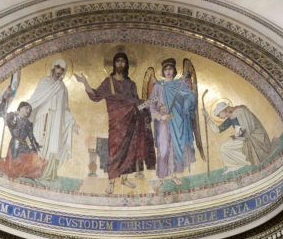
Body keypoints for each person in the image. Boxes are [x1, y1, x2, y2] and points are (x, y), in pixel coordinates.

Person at [74, 52, 156, 194]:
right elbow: (95, 96)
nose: (120, 64)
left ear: (126, 64)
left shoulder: (131, 84)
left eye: (123, 61)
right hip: (116, 123)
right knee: (115, 151)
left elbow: (135, 104)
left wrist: (145, 105)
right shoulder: (108, 82)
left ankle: (124, 179)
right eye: (117, 61)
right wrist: (85, 82)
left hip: (131, 122)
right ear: (114, 64)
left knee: (130, 150)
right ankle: (111, 181)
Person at [149, 58, 198, 191]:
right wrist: (159, 116)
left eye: (170, 69)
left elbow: (191, 96)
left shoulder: (179, 85)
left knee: (175, 148)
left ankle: (174, 175)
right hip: (163, 122)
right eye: (166, 69)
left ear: (174, 70)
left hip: (177, 121)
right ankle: (161, 178)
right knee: (163, 149)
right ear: (163, 71)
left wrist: (188, 102)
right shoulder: (158, 86)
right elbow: (151, 105)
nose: (168, 71)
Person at [28, 58, 79, 181]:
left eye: (62, 69)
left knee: (52, 143)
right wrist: (22, 109)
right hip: (42, 118)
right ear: (53, 67)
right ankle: (32, 171)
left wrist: (72, 122)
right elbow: (35, 98)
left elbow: (65, 109)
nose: (59, 71)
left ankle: (45, 173)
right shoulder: (44, 81)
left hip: (55, 122)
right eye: (58, 67)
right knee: (39, 140)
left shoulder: (63, 88)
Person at [202, 102, 272, 173]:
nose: (219, 117)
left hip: (253, 137)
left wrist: (240, 137)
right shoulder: (229, 119)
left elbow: (250, 126)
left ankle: (250, 160)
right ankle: (235, 166)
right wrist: (207, 117)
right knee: (223, 148)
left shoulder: (240, 111)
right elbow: (217, 130)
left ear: (223, 110)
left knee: (226, 147)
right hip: (243, 138)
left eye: (218, 115)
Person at [0, 99, 47, 180]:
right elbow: (1, 113)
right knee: (12, 171)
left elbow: (32, 138)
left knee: (40, 160)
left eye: (30, 110)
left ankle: (30, 174)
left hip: (24, 147)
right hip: (14, 146)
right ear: (21, 108)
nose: (28, 111)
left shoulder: (29, 123)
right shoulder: (12, 118)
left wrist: (38, 152)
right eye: (26, 108)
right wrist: (5, 99)